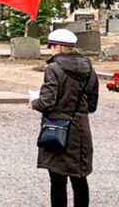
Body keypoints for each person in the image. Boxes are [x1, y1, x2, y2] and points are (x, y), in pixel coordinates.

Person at [32, 28, 98, 207]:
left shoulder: (54, 68)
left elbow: (47, 102)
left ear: (57, 47)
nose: (50, 50)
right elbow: (92, 104)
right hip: (81, 128)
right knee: (79, 177)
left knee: (58, 179)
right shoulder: (89, 67)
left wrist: (33, 102)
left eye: (51, 46)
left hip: (58, 126)